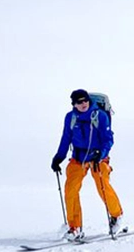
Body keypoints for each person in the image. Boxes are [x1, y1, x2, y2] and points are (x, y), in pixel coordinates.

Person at [50, 89, 123, 240]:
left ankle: (117, 217)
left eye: (85, 101)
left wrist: (100, 154)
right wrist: (58, 158)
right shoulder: (70, 118)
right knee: (70, 189)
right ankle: (74, 227)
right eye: (79, 102)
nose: (83, 104)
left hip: (98, 157)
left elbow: (108, 139)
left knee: (103, 186)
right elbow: (66, 138)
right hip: (79, 157)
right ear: (74, 104)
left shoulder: (100, 116)